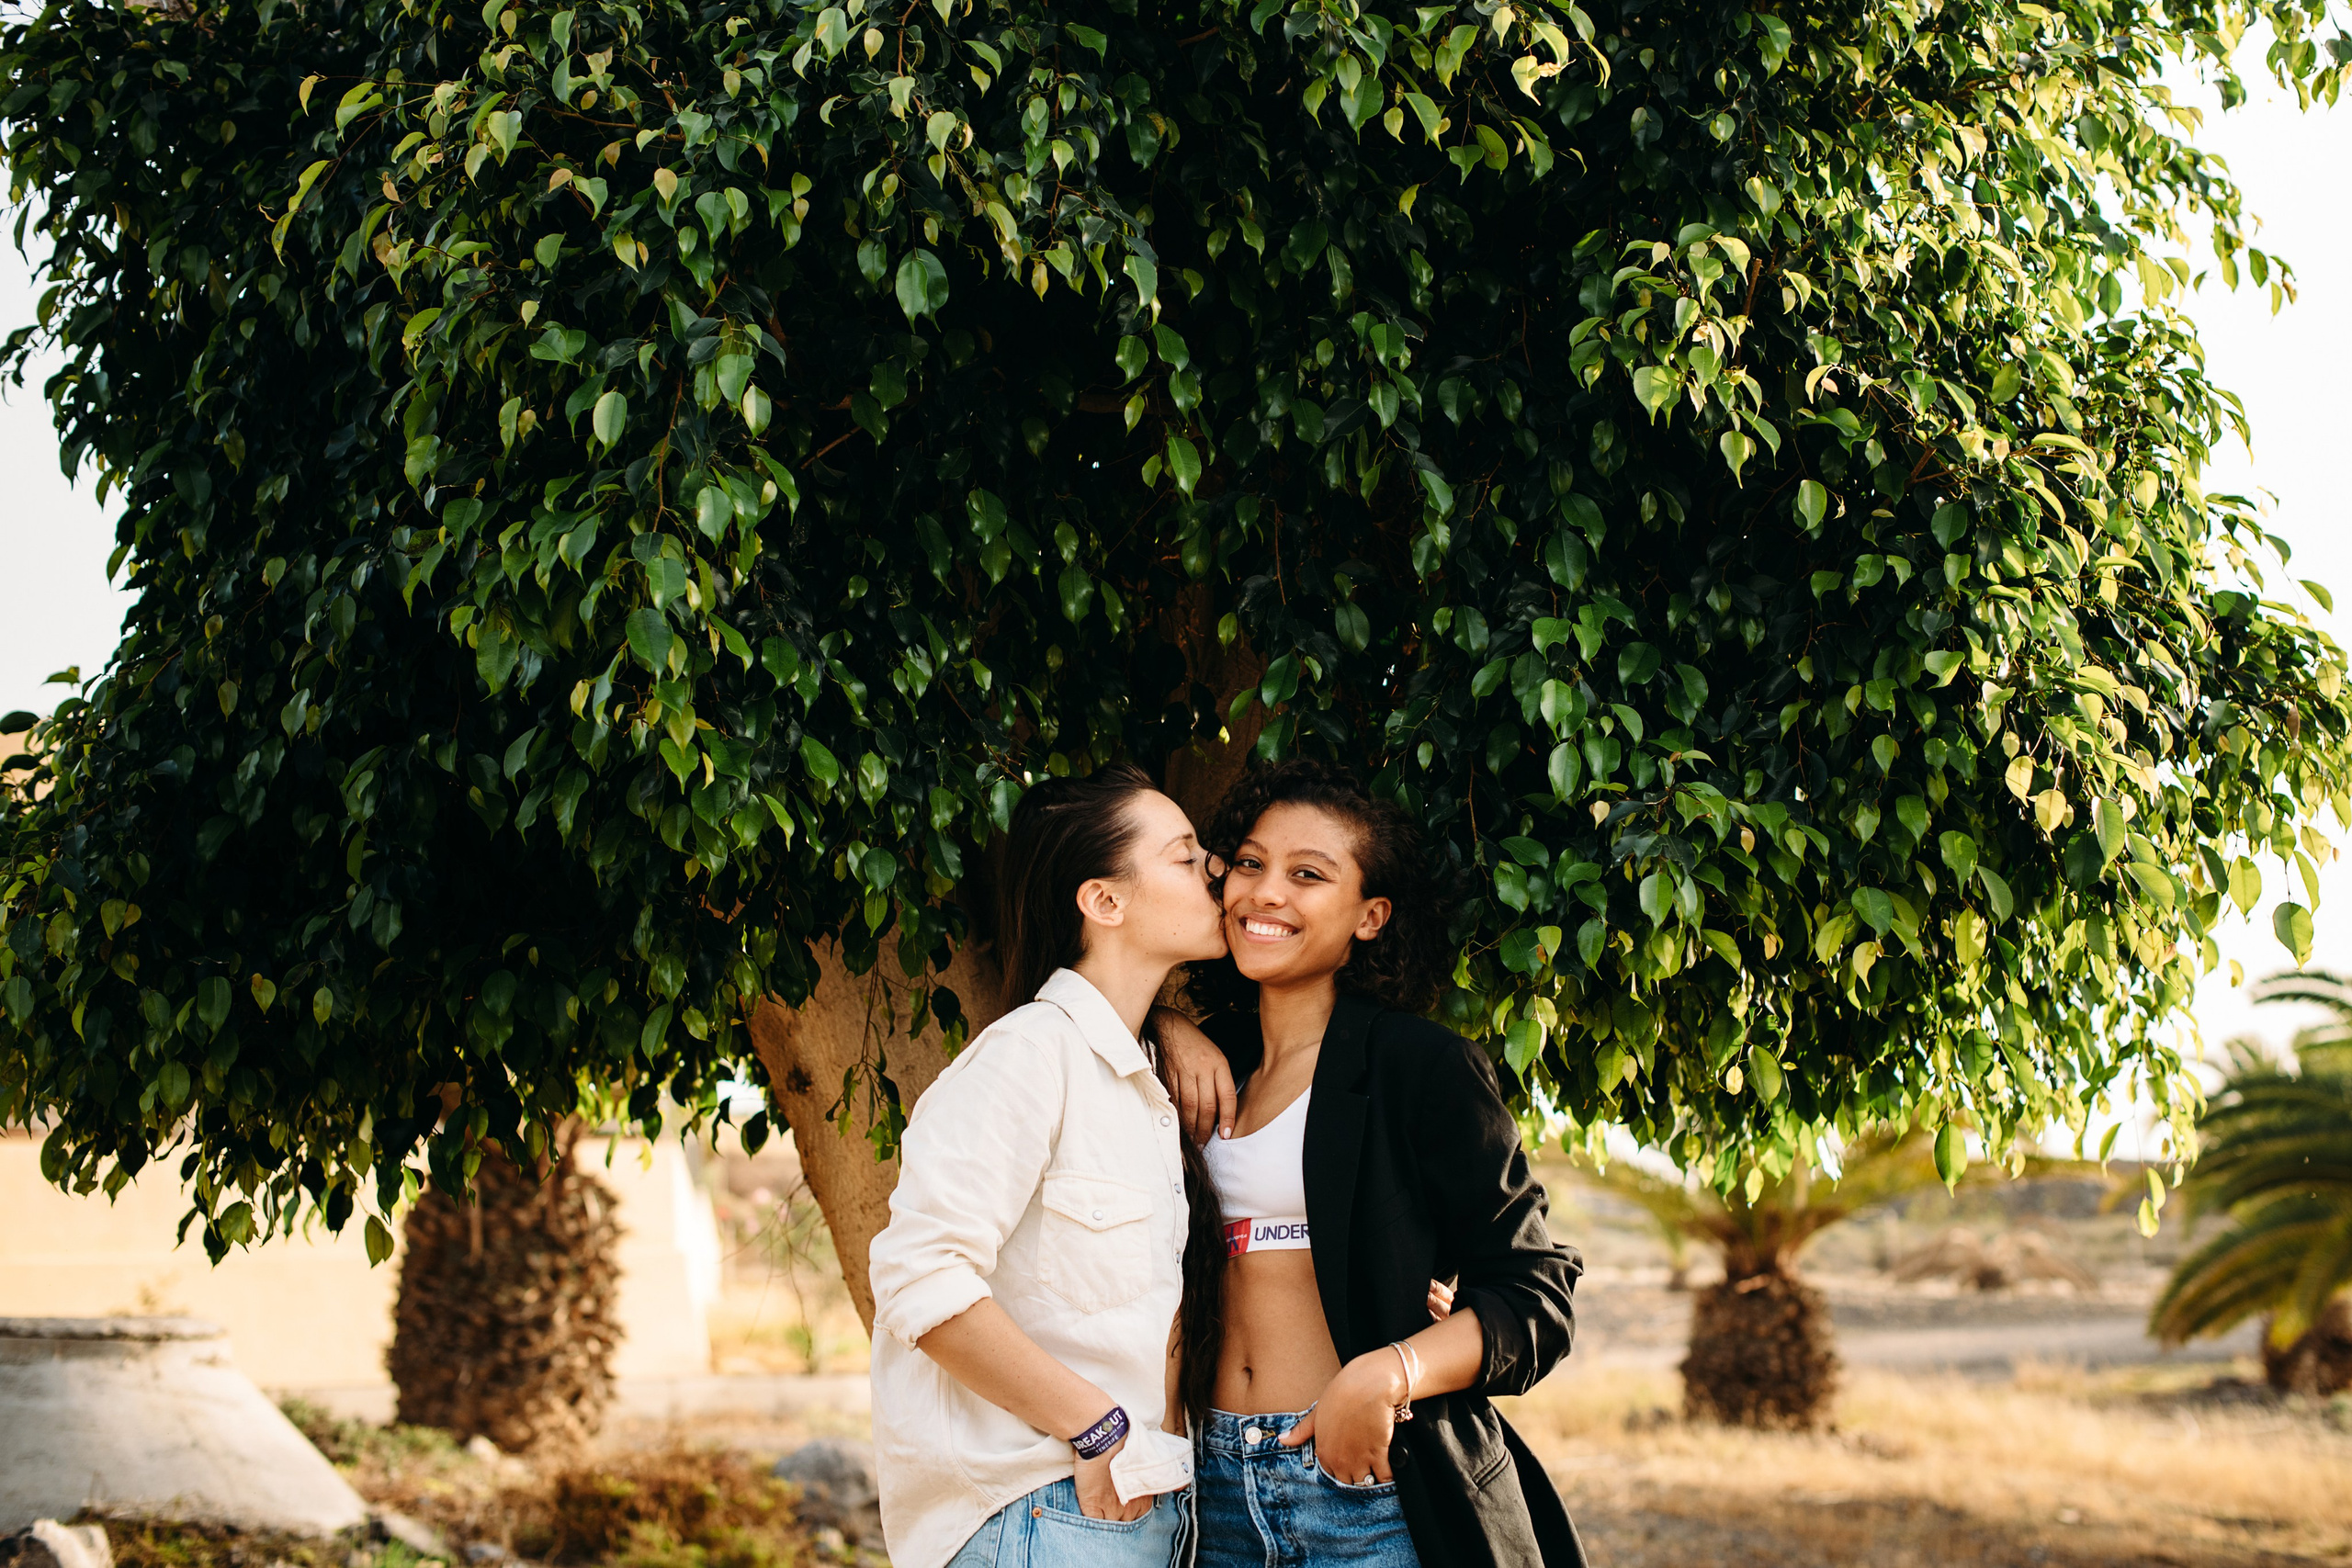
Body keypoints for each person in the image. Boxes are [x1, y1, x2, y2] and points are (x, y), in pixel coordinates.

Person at [1152, 759, 1589, 1568]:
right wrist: (1164, 1022)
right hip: (1206, 1490)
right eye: (1250, 863)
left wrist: (1387, 1373)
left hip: (1366, 1486)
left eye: (1307, 874)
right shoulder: (1199, 1062)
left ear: (1370, 915)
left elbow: (1537, 1296)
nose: (1266, 892)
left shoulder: (1419, 1067)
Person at [866, 762, 1228, 1568]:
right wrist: (1095, 1422)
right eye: (1183, 854)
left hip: (1137, 1509)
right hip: (1039, 1509)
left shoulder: (1142, 1078)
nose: (1215, 870)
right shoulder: (1027, 1057)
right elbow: (920, 1276)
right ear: (1105, 900)